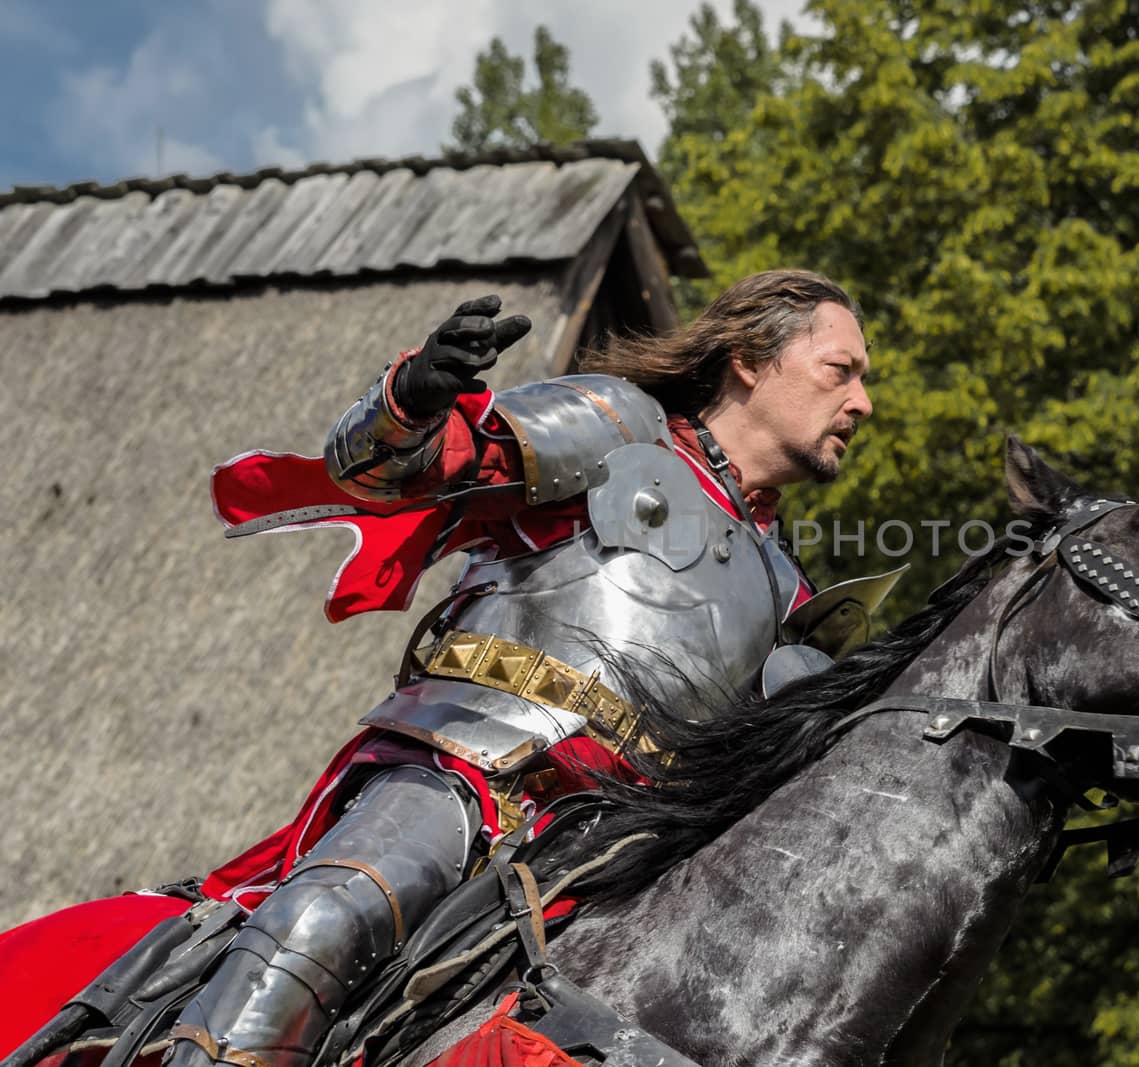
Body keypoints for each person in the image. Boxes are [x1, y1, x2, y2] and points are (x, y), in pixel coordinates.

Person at [158, 269, 884, 1067]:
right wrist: (413, 400)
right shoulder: (619, 427)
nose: (862, 403)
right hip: (476, 773)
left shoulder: (788, 589)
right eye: (839, 372)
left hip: (619, 860)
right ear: (749, 359)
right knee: (323, 921)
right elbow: (405, 469)